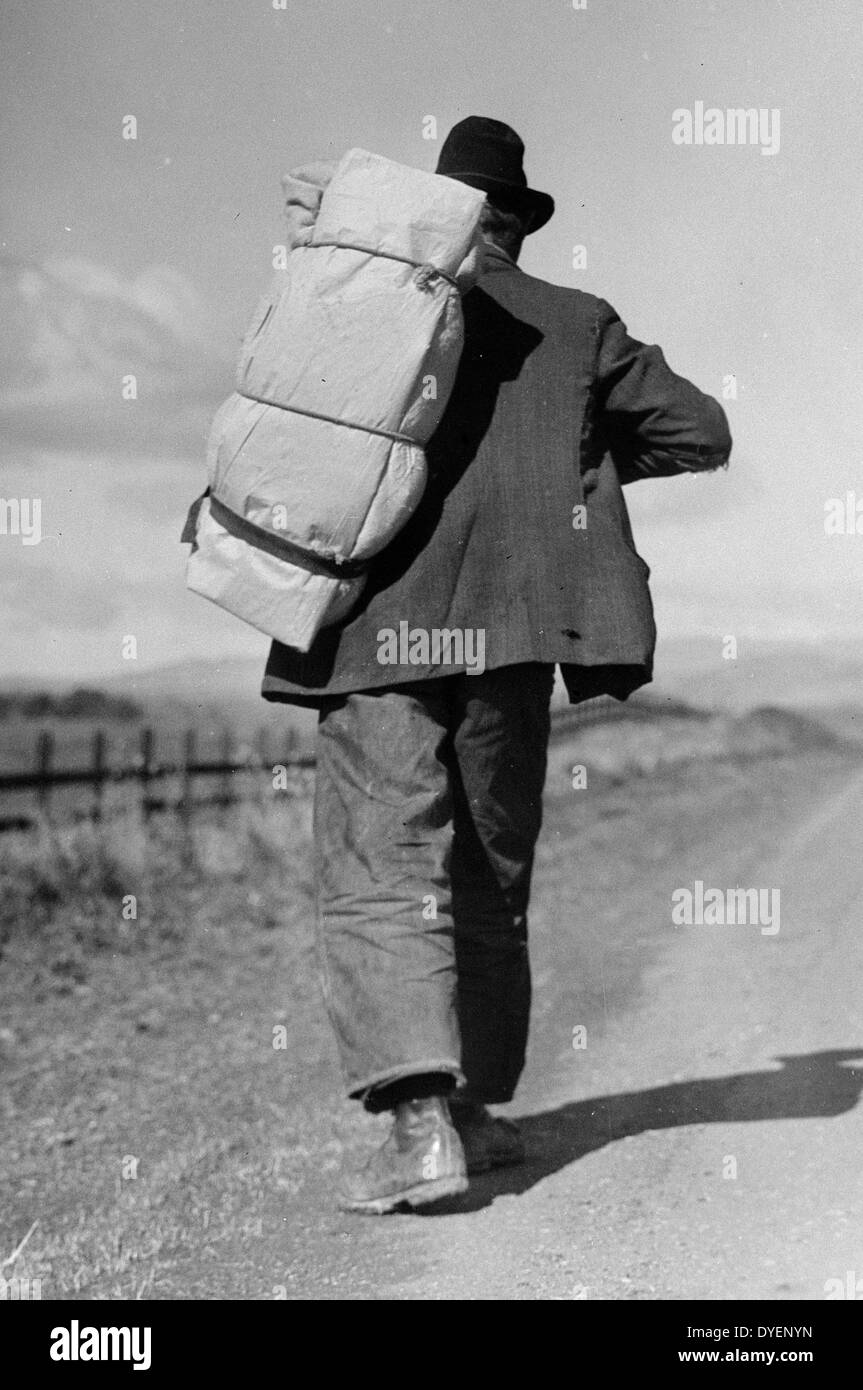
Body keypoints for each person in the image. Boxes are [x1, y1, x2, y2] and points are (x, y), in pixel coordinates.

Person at [262, 116, 732, 1213]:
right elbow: (699, 431)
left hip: (369, 628)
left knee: (384, 865)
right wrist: (568, 462)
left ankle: (422, 1130)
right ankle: (471, 1108)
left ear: (435, 214)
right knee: (485, 866)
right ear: (516, 223)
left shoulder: (363, 304)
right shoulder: (576, 326)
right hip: (512, 639)